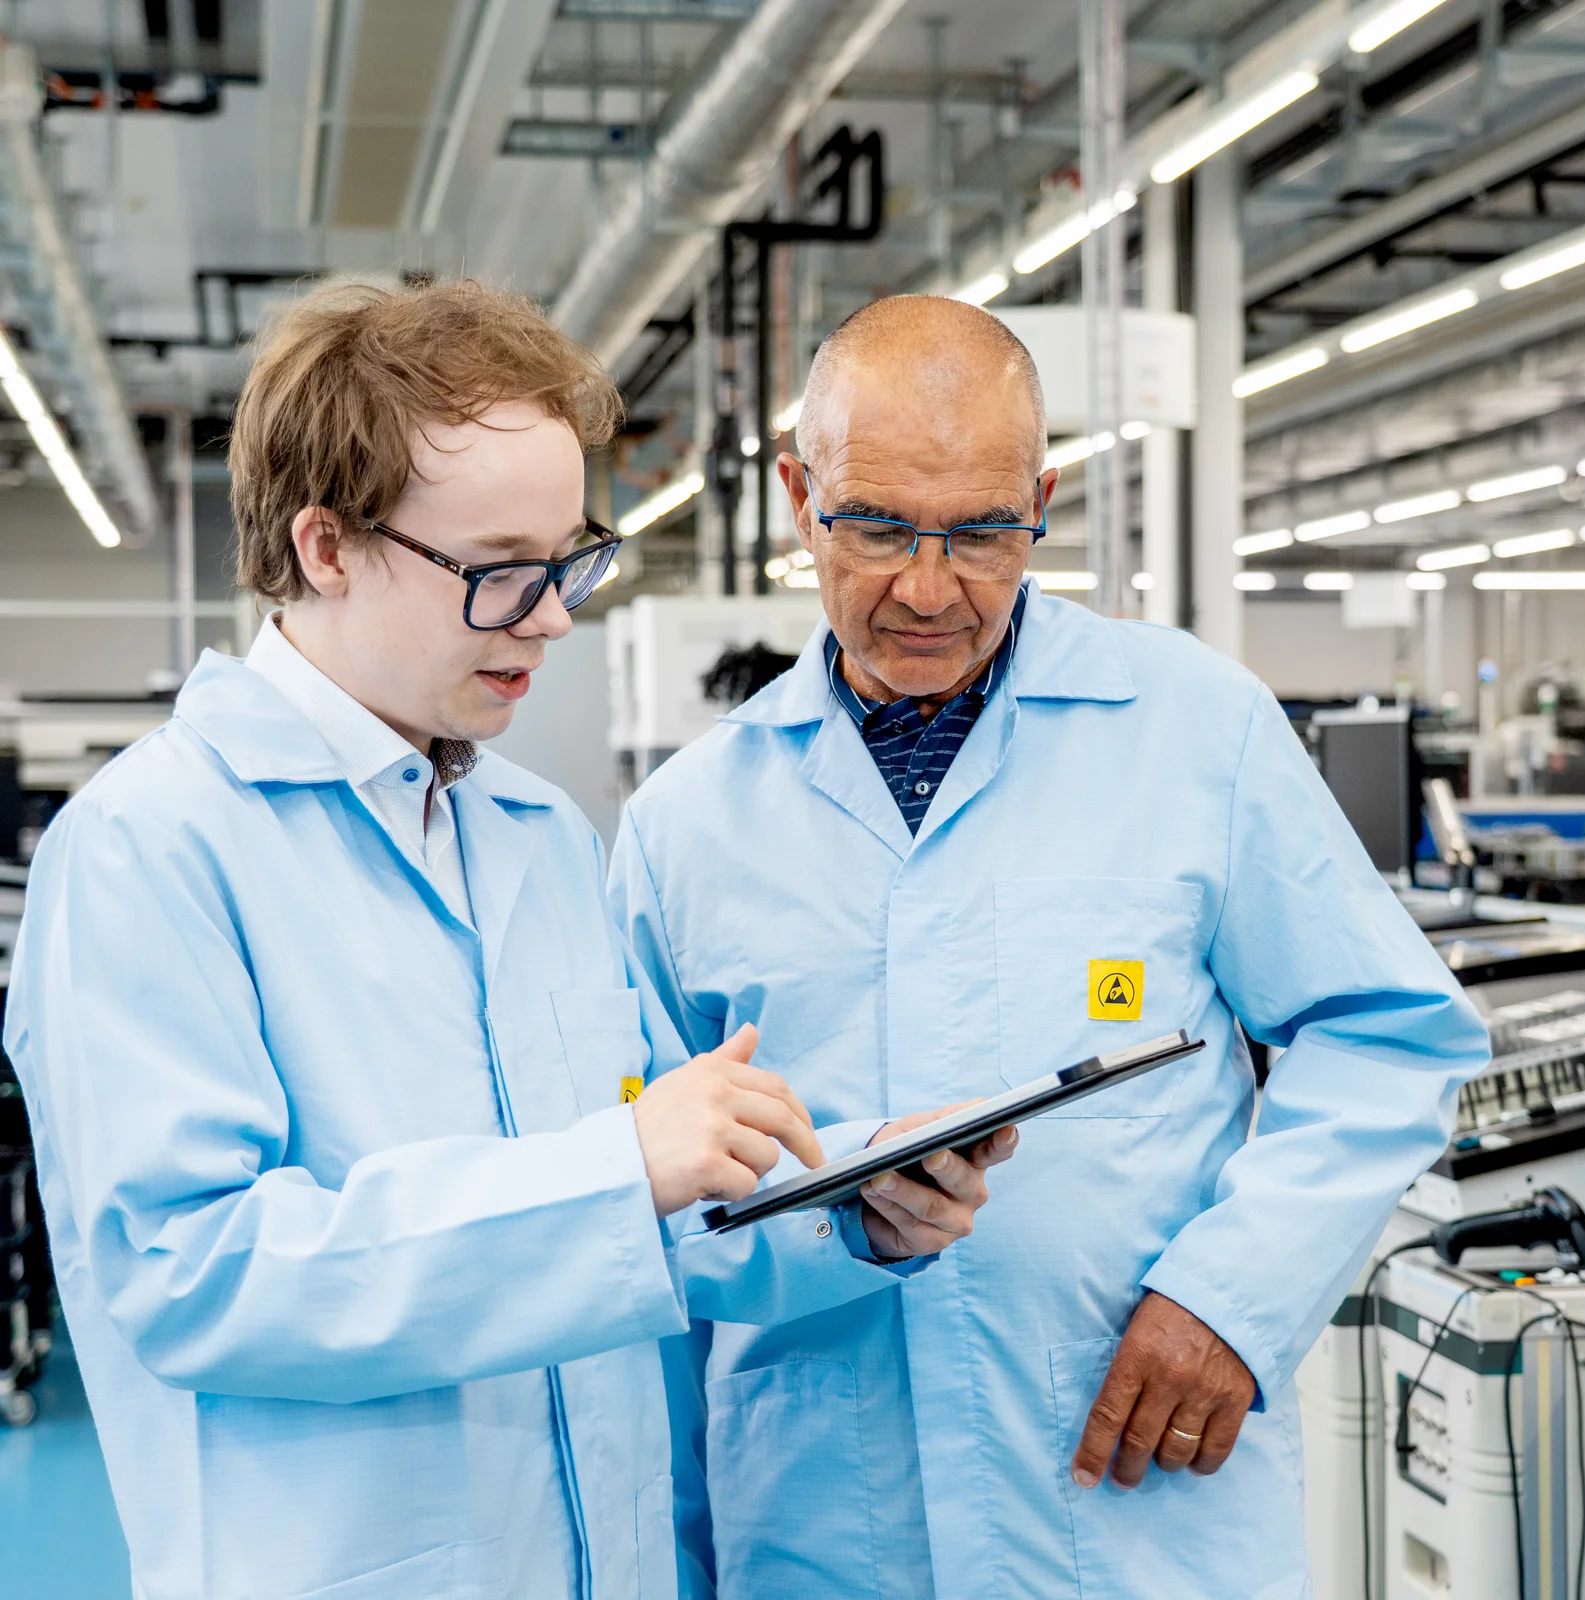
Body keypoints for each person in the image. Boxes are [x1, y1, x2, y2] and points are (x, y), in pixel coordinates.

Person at [1, 280, 1009, 1600]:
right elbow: (195, 1274)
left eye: (568, 560)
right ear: (326, 546)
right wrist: (615, 1174)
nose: (552, 617)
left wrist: (857, 1208)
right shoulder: (155, 847)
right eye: (499, 572)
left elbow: (663, 1205)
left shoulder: (533, 837)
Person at [609, 293, 1491, 1599]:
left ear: (1045, 500)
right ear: (801, 498)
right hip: (822, 1528)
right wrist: (830, 1222)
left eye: (980, 533)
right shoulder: (685, 829)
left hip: (1134, 1518)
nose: (927, 586)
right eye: (876, 527)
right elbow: (631, 1213)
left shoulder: (1195, 731)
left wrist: (1231, 1301)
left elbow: (1386, 1031)